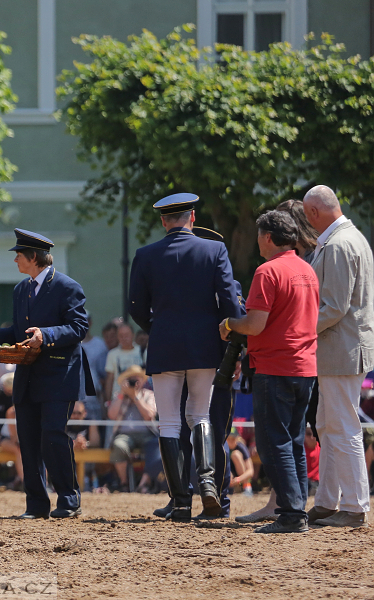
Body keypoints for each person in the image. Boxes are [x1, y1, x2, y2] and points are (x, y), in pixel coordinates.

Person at [129, 193, 242, 521]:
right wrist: (227, 337)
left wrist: (157, 327)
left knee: (169, 422)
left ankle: (180, 501)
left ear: (164, 221)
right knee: (201, 416)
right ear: (192, 217)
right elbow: (229, 301)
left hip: (165, 344)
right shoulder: (214, 249)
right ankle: (207, 483)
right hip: (204, 345)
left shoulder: (146, 255)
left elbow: (136, 305)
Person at [0, 228, 91, 519]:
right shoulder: (20, 290)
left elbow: (79, 328)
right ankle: (36, 505)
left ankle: (68, 498)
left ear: (34, 257)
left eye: (19, 256)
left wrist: (45, 334)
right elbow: (17, 331)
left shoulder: (67, 287)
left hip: (58, 375)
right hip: (27, 376)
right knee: (27, 440)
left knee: (53, 435)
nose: (15, 261)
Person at [219, 210, 319, 533]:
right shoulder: (307, 270)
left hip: (275, 367)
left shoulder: (268, 271)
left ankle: (291, 515)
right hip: (305, 366)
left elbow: (255, 324)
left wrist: (229, 324)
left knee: (272, 442)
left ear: (267, 237)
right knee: (292, 441)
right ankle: (296, 510)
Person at [302, 184, 374, 528]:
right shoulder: (347, 238)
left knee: (342, 427)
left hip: (340, 349)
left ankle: (356, 506)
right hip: (338, 349)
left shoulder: (340, 244)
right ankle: (329, 501)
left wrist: (298, 330)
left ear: (314, 213)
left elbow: (334, 307)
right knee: (328, 425)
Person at [107, 365, 160, 493]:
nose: (134, 381)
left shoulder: (149, 395)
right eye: (131, 378)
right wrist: (122, 394)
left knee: (156, 447)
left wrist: (135, 397)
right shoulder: (119, 395)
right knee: (119, 446)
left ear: (142, 380)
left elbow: (149, 415)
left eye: (137, 378)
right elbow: (112, 415)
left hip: (147, 435)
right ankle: (124, 483)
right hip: (125, 436)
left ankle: (144, 484)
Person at [103, 322, 144, 406]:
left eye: (126, 335)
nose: (124, 338)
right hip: (119, 398)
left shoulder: (143, 352)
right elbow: (110, 379)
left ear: (133, 335)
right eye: (121, 335)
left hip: (141, 397)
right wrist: (108, 400)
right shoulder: (112, 354)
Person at [226, 430, 254, 495]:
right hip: (229, 474)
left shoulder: (241, 447)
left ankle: (246, 487)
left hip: (240, 476)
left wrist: (239, 479)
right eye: (228, 438)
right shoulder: (223, 447)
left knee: (235, 455)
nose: (231, 441)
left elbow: (251, 471)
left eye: (233, 438)